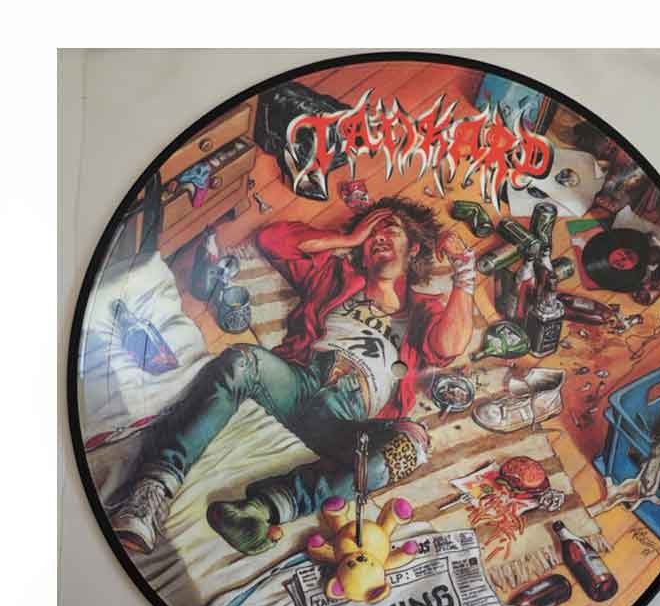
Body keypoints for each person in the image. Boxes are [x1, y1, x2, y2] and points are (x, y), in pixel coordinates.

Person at [111, 196, 476, 555]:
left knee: (406, 451)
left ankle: (261, 509)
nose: (378, 236)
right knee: (242, 361)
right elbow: (273, 240)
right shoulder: (337, 276)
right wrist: (347, 239)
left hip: (346, 420)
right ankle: (151, 492)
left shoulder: (422, 311)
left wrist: (463, 272)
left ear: (413, 248)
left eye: (390, 229)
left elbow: (449, 346)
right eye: (372, 232)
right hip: (299, 381)